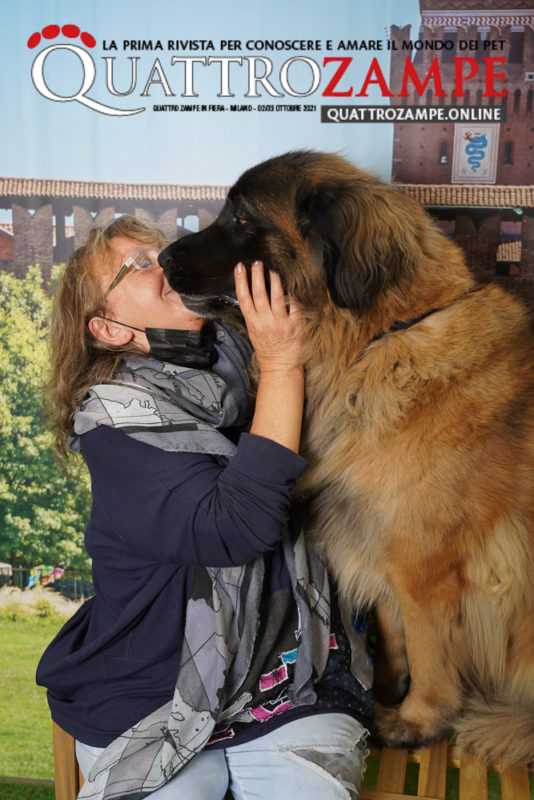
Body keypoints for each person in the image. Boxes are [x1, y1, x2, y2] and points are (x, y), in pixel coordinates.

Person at [36, 215, 373, 800]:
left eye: (160, 250)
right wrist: (281, 365)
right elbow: (236, 526)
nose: (162, 260)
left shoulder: (253, 358)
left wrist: (280, 357)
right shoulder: (114, 428)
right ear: (112, 330)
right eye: (137, 264)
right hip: (147, 695)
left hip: (285, 680)